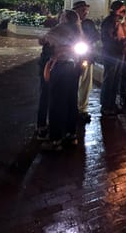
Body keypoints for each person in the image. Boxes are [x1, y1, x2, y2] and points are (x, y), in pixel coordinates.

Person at [41, 9, 85, 151]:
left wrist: (58, 50)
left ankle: (55, 139)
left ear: (63, 19)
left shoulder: (58, 30)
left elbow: (44, 43)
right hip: (74, 67)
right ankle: (70, 134)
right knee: (71, 101)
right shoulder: (79, 33)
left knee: (56, 102)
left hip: (60, 67)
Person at [73, 1, 99, 123]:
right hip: (75, 58)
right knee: (76, 83)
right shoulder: (71, 23)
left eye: (86, 10)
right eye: (82, 10)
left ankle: (83, 109)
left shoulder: (89, 23)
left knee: (86, 84)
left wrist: (89, 41)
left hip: (88, 56)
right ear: (76, 10)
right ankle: (73, 108)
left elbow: (96, 35)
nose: (85, 12)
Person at [101, 1, 126, 115]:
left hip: (118, 53)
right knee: (109, 80)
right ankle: (106, 105)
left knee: (115, 80)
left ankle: (112, 103)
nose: (124, 13)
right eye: (122, 10)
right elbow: (108, 39)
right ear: (116, 10)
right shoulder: (109, 22)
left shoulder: (117, 22)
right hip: (111, 54)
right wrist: (122, 41)